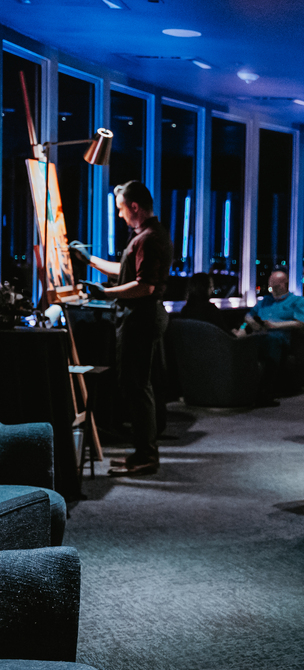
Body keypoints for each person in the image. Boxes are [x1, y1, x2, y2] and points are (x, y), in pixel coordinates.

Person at [75, 181, 173, 476]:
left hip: (140, 318)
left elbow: (145, 286)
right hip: (141, 317)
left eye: (120, 209)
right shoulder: (148, 235)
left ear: (134, 206)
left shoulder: (148, 238)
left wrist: (105, 293)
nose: (119, 215)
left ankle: (146, 456)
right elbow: (127, 271)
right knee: (136, 386)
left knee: (137, 387)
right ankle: (142, 453)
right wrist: (90, 260)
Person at [236, 270, 304, 404]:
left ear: (284, 284)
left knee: (272, 342)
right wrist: (249, 324)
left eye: (276, 286)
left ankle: (266, 391)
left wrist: (275, 325)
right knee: (244, 341)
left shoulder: (296, 301)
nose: (272, 290)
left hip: (281, 339)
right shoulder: (265, 301)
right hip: (259, 335)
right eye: (271, 287)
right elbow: (248, 315)